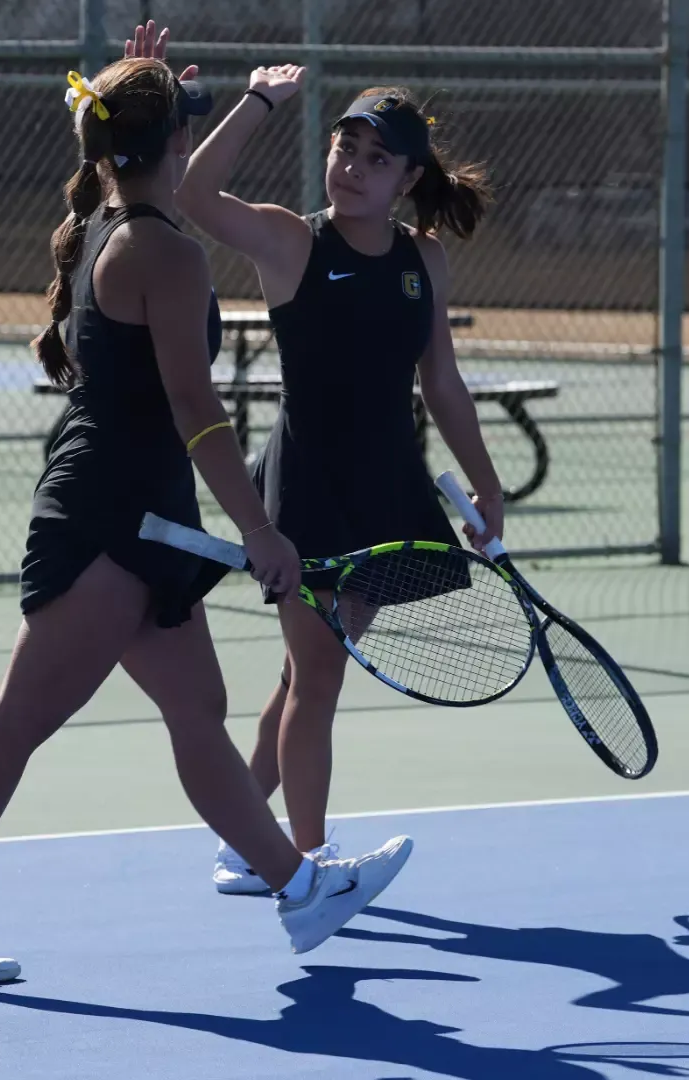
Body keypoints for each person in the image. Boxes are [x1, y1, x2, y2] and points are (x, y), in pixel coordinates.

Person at [0, 40, 413, 983]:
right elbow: (197, 407)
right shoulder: (163, 251)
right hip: (113, 517)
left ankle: (298, 888)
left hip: (136, 508)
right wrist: (262, 529)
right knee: (21, 721)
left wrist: (153, 92)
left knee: (198, 708)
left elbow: (145, 148)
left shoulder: (114, 220)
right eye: (185, 121)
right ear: (170, 144)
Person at [174, 61, 506, 893]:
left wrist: (487, 484)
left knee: (303, 673)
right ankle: (310, 866)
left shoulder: (422, 260)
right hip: (305, 488)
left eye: (376, 159)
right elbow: (194, 196)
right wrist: (258, 102)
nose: (352, 168)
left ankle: (249, 838)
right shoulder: (292, 239)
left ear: (407, 179)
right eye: (344, 147)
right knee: (319, 674)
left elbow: (443, 385)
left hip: (385, 487)